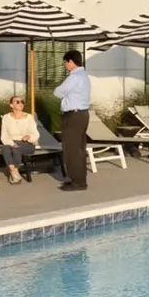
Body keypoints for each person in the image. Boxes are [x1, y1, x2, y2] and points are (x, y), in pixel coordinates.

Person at [55, 49, 91, 191]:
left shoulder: (74, 77)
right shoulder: (84, 75)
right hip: (81, 115)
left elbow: (58, 92)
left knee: (72, 149)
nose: (65, 66)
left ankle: (78, 182)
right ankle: (79, 179)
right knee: (79, 148)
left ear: (70, 62)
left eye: (65, 62)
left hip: (73, 116)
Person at [0, 95, 40, 184]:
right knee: (5, 149)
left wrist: (29, 137)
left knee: (15, 149)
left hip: (27, 144)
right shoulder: (6, 118)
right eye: (17, 102)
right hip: (11, 143)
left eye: (22, 101)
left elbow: (35, 133)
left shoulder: (29, 117)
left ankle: (13, 171)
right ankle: (14, 171)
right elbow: (4, 135)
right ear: (11, 105)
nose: (21, 103)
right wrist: (12, 143)